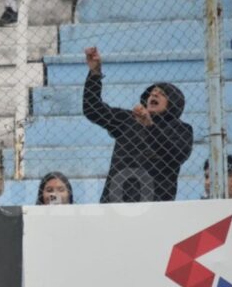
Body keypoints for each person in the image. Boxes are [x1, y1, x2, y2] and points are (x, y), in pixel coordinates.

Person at [83, 47, 194, 203]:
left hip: (155, 207)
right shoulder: (128, 120)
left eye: (162, 94)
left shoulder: (181, 129)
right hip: (115, 204)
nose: (154, 94)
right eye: (152, 92)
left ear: (173, 103)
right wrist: (95, 74)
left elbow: (177, 154)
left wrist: (150, 127)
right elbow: (92, 109)